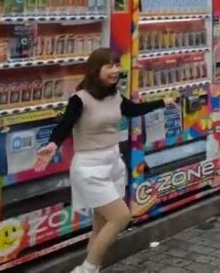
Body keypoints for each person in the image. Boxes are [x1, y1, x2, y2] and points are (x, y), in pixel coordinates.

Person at [34, 48, 175, 273]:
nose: (115, 70)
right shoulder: (80, 99)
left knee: (100, 224)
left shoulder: (115, 96)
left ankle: (94, 267)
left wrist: (162, 102)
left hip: (112, 164)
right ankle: (86, 269)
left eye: (117, 65)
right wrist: (52, 145)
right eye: (109, 66)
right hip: (89, 168)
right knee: (121, 217)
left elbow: (132, 110)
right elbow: (65, 125)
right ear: (95, 69)